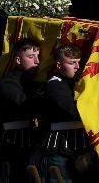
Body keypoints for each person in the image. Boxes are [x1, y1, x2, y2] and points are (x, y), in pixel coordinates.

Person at [38, 43, 93, 183]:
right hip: (59, 149)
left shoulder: (77, 83)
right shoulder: (54, 85)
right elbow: (74, 111)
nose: (77, 66)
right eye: (72, 63)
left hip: (81, 148)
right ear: (58, 65)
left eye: (79, 62)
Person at [0, 37, 43, 183]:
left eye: (38, 56)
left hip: (31, 143)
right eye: (30, 56)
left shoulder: (36, 81)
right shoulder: (8, 82)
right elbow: (25, 104)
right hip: (12, 145)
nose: (37, 61)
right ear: (17, 60)